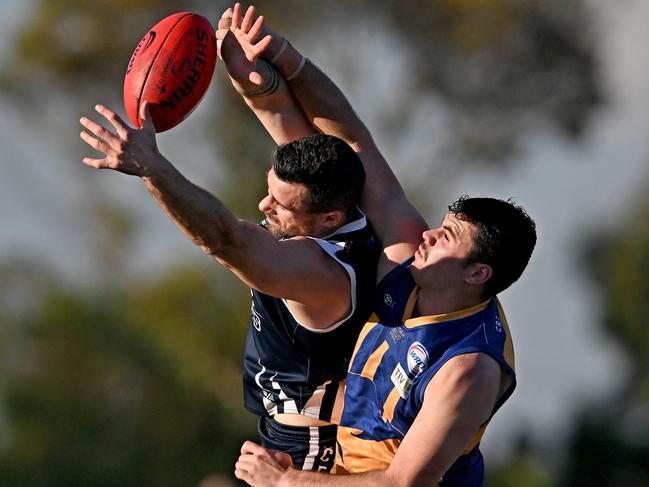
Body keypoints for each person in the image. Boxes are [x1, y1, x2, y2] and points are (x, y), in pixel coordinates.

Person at [216, 5, 537, 486]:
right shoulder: (409, 262)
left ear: (478, 273)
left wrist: (286, 484)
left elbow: (401, 484)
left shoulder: (468, 369)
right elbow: (351, 141)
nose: (428, 234)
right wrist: (277, 60)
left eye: (446, 237)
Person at [79, 79, 380, 473]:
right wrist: (257, 75)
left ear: (328, 219)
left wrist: (151, 168)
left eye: (280, 205)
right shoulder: (346, 198)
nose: (263, 204)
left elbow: (225, 240)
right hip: (291, 432)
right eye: (269, 189)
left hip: (307, 447)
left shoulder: (322, 272)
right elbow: (307, 121)